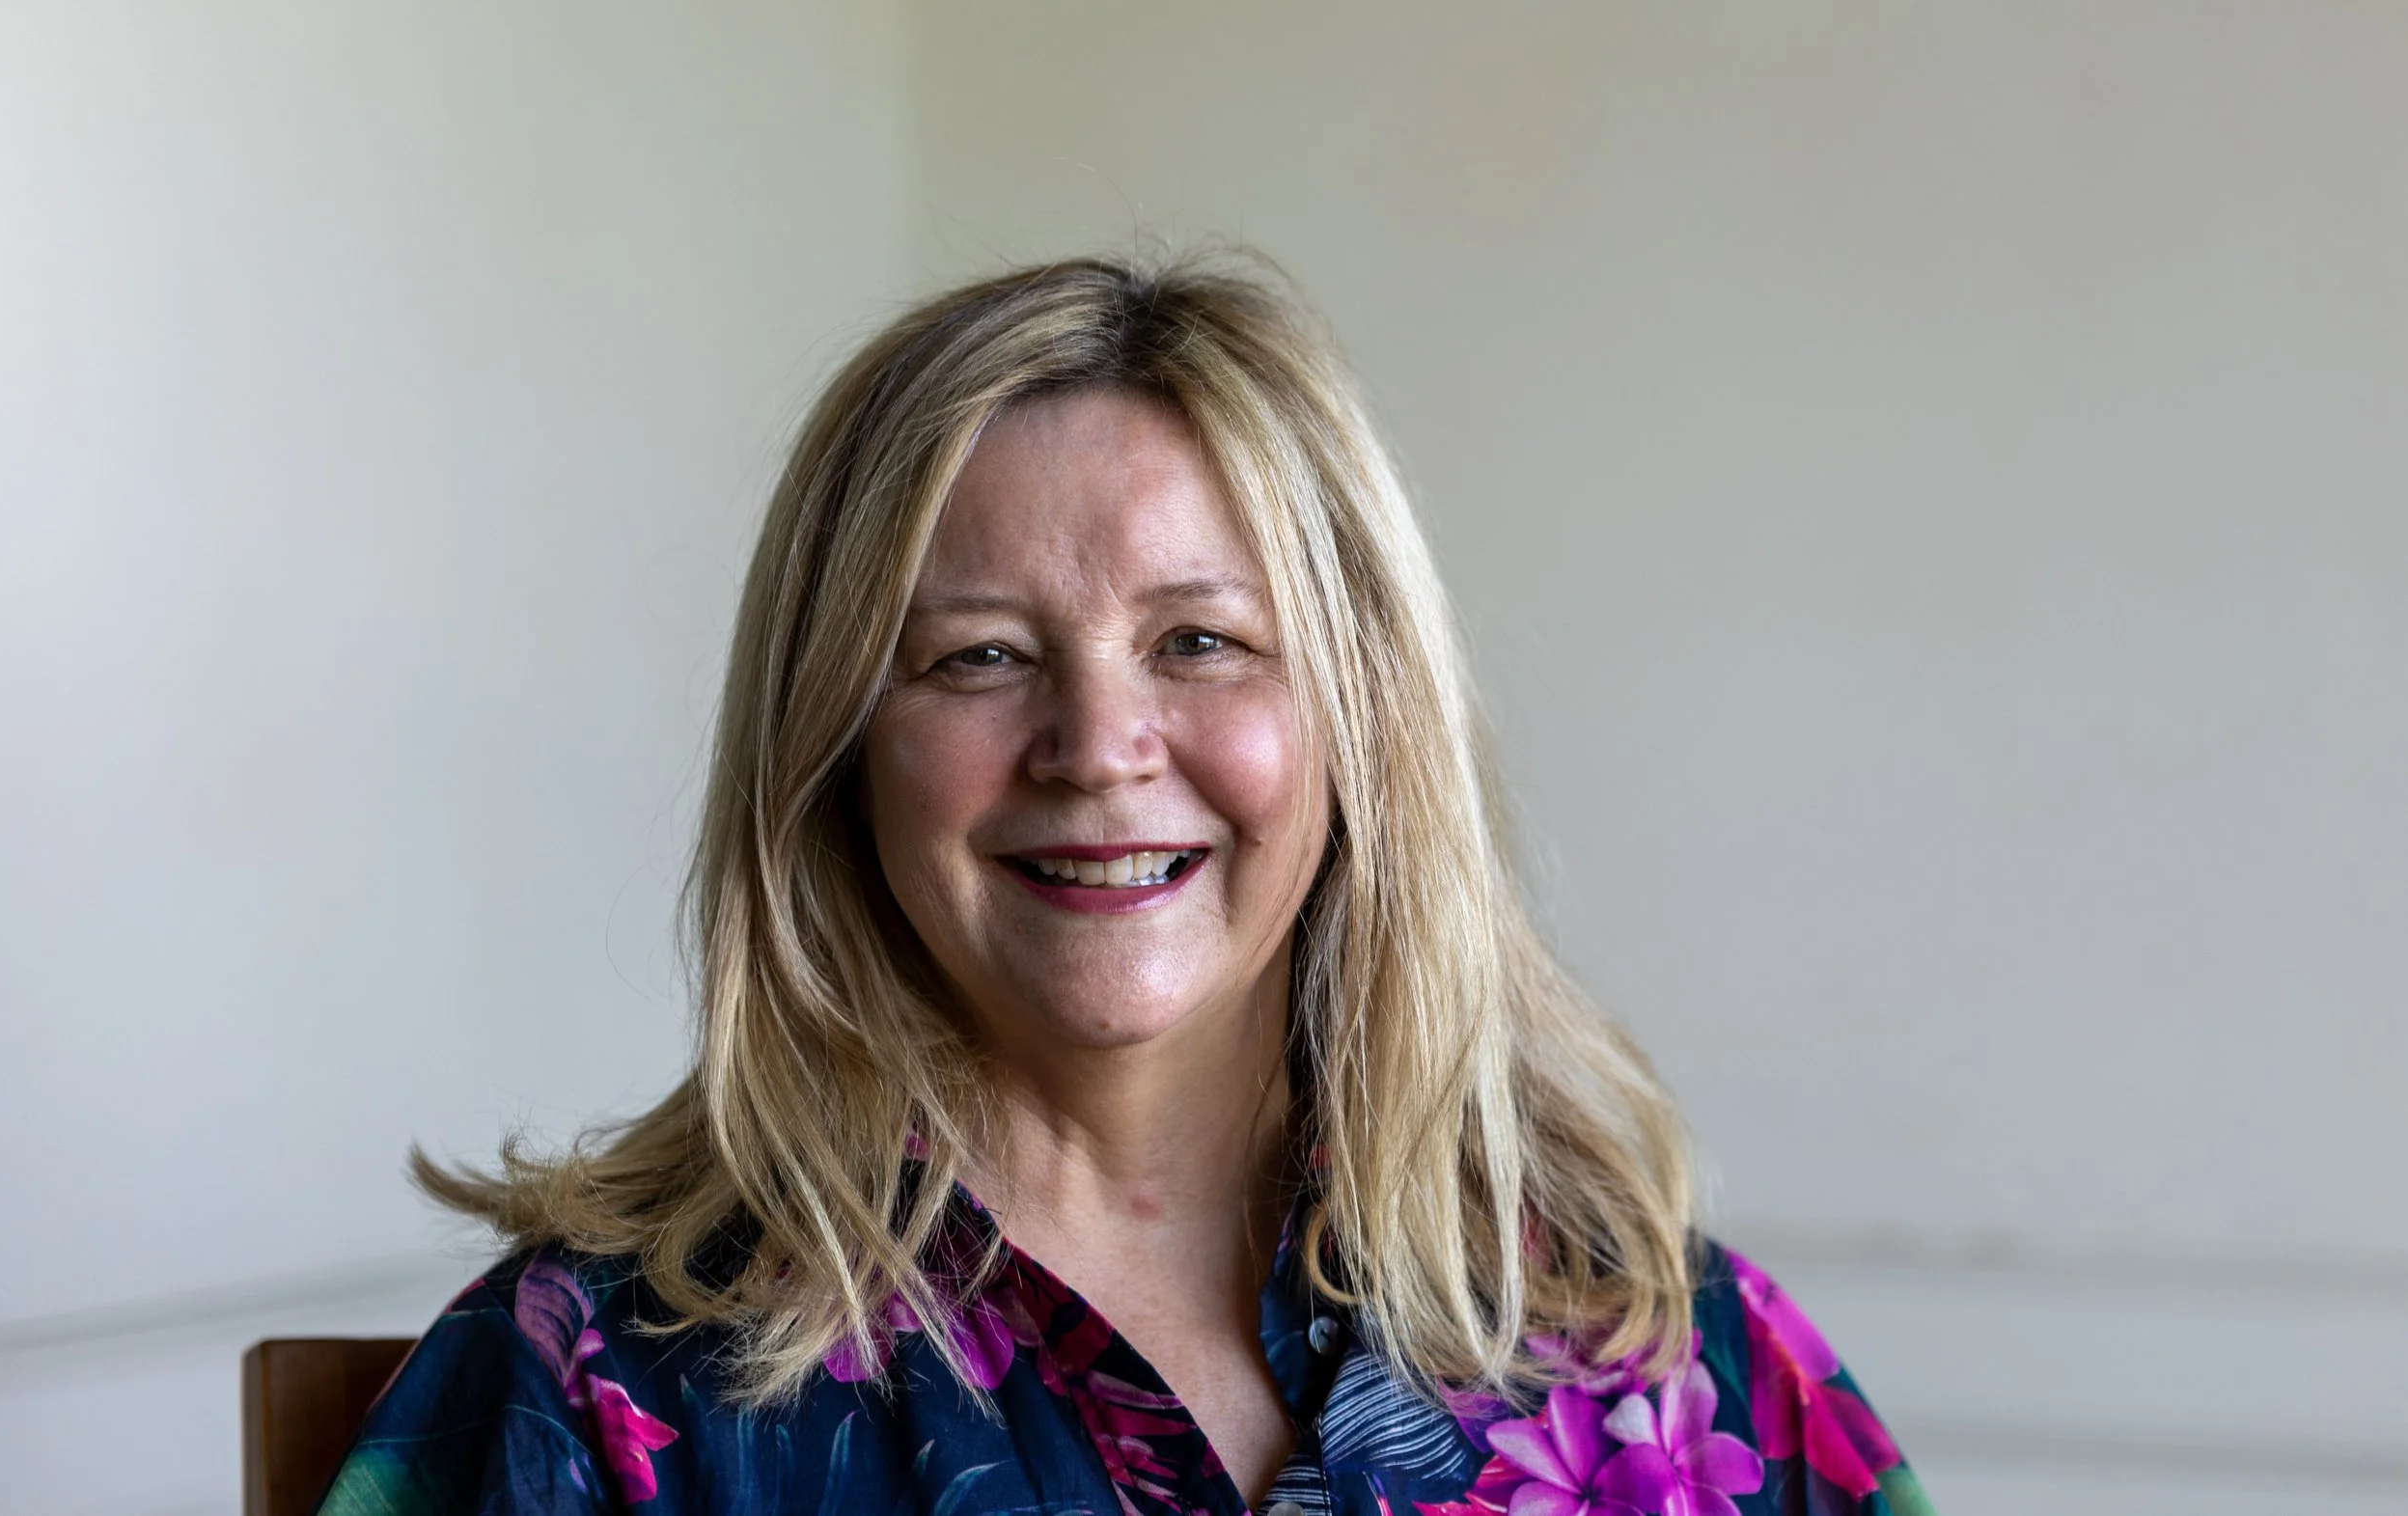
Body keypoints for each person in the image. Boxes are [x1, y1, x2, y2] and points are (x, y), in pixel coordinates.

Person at [320, 255, 1935, 1516]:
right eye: (980, 656)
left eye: (1200, 642)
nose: (1098, 743)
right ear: (835, 751)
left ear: (1360, 721)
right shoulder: (608, 1382)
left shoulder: (1655, 1349)